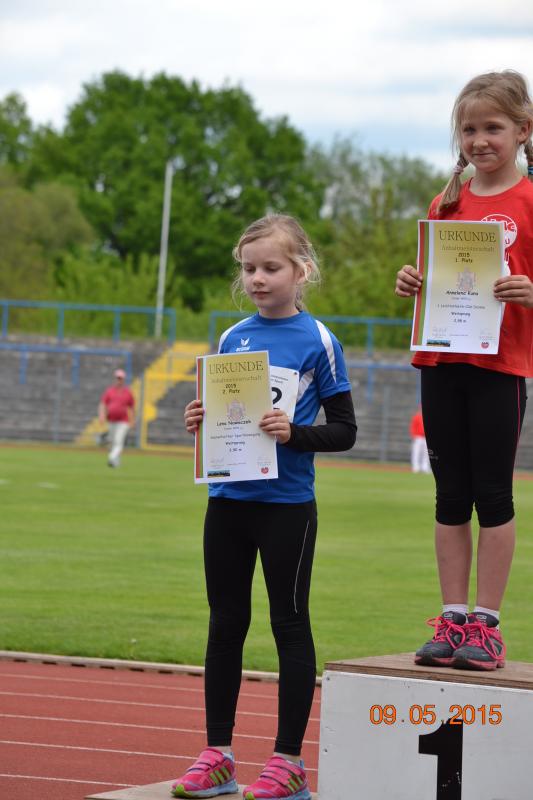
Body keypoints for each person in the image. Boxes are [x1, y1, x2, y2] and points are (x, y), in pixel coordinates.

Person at [172, 214, 357, 800]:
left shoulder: (319, 341)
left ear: (301, 271)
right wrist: (199, 421)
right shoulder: (232, 338)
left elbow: (345, 431)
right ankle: (218, 755)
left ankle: (288, 762)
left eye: (271, 267)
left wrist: (293, 433)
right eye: (249, 268)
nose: (257, 278)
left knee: (289, 624)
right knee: (225, 624)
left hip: (286, 506)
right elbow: (225, 418)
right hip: (228, 500)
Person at [395, 70, 533, 671]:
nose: (480, 140)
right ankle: (452, 619)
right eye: (469, 129)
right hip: (441, 359)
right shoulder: (445, 202)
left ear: (523, 130)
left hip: (500, 366)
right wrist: (412, 280)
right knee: (449, 495)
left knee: (493, 494)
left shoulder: (530, 201)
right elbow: (435, 277)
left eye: (493, 127)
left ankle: (487, 625)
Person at [98, 368, 135, 467]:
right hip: (111, 420)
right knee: (113, 442)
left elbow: (131, 407)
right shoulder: (109, 391)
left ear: (123, 379)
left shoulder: (127, 392)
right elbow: (103, 404)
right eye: (117, 378)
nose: (118, 380)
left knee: (118, 441)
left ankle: (111, 457)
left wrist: (132, 421)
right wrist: (102, 415)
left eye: (120, 378)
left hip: (123, 421)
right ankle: (115, 462)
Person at [409, 407, 431, 474]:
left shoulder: (429, 417)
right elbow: (413, 426)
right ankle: (416, 467)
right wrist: (413, 435)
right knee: (416, 453)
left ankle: (425, 467)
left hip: (426, 438)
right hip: (418, 437)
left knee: (426, 453)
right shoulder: (417, 416)